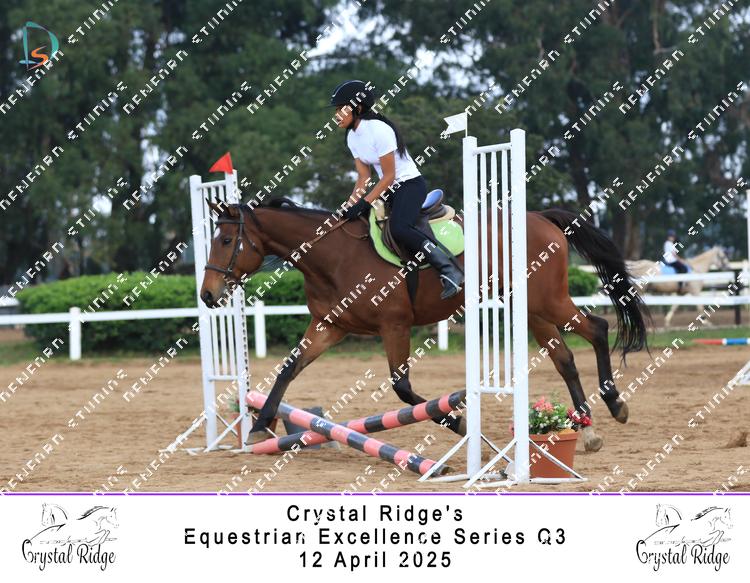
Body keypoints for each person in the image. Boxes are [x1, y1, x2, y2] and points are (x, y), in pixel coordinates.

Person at [330, 80, 463, 299]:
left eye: (341, 109)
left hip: (409, 185)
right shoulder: (352, 137)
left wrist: (364, 203)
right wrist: (349, 205)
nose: (336, 115)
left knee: (400, 227)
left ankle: (450, 270)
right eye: (336, 110)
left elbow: (389, 176)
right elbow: (364, 177)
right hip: (389, 189)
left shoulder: (379, 130)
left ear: (358, 108)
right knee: (360, 223)